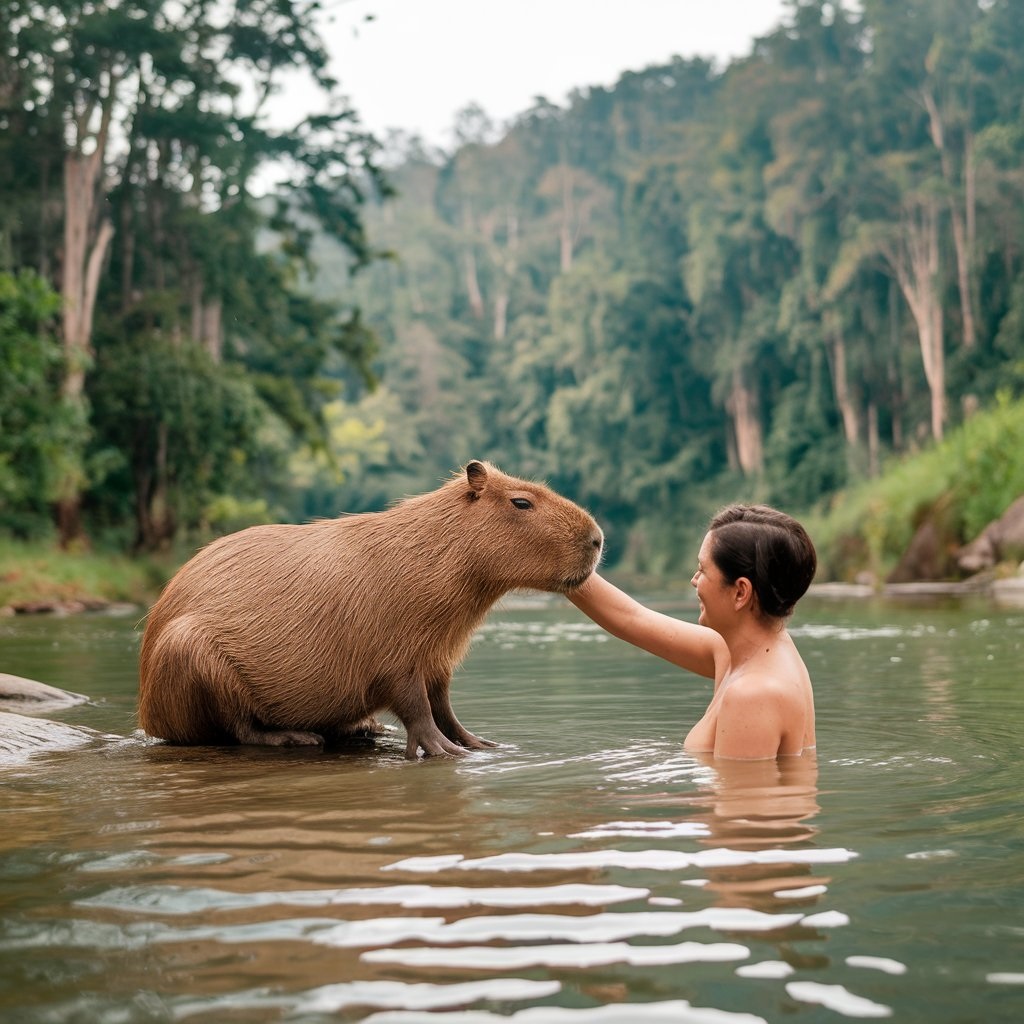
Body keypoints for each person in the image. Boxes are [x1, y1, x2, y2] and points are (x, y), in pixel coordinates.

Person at [569, 504, 817, 760]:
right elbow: (631, 619)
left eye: (702, 570)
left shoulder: (753, 695)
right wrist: (553, 558)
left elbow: (741, 798)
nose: (694, 580)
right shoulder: (753, 649)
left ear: (740, 592)